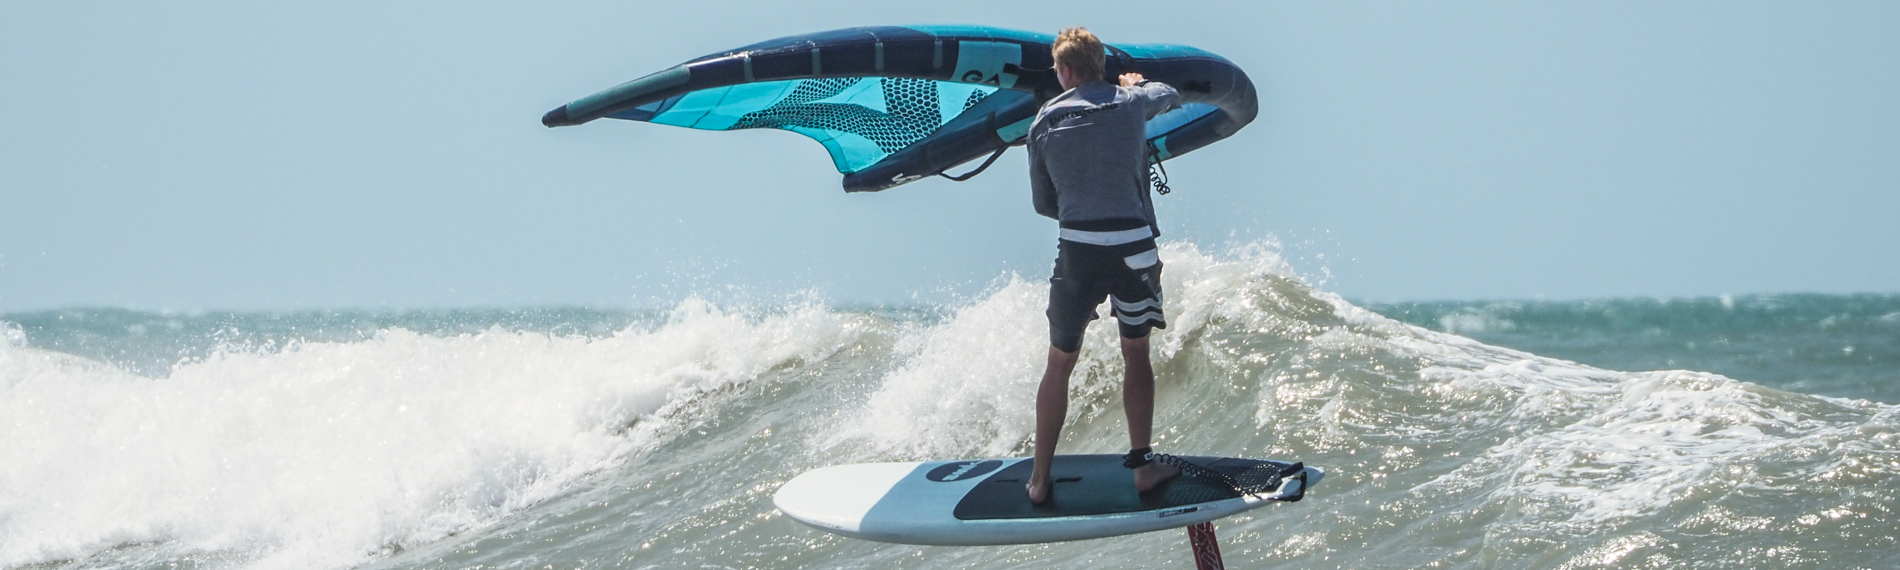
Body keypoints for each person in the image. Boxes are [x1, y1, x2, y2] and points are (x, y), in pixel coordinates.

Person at [1025, 27, 1183, 504]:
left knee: (1059, 363)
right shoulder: (1131, 102)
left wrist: (1081, 206)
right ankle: (1142, 468)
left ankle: (1037, 481)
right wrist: (1133, 87)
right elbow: (1170, 94)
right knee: (1135, 352)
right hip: (1133, 245)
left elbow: (1042, 203)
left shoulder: (1043, 122)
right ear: (1100, 66)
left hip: (1078, 247)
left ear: (1066, 71)